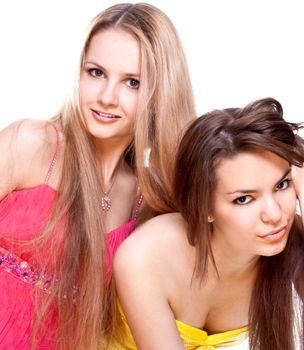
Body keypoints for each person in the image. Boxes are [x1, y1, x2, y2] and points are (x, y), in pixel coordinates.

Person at [0, 3, 195, 349]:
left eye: (132, 82)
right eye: (96, 72)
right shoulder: (32, 144)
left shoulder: (148, 201)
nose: (106, 97)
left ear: (159, 93)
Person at [113, 98, 304, 350]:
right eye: (244, 199)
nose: (274, 214)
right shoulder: (145, 257)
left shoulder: (289, 237)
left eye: (281, 185)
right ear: (205, 208)